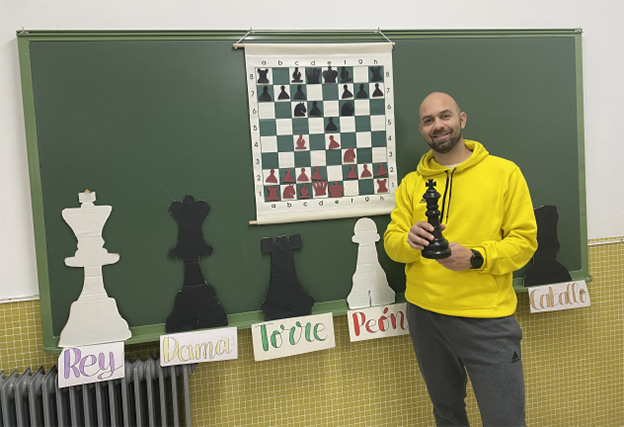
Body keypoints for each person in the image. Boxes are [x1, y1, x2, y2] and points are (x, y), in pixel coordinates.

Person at [384, 92, 537, 426]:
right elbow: (392, 244)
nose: (438, 125)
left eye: (445, 116)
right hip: (426, 317)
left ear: (462, 119)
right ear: (422, 130)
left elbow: (524, 243)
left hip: (487, 321)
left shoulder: (504, 174)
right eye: (428, 120)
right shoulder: (412, 184)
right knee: (447, 414)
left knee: (505, 419)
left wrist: (477, 257)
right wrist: (409, 241)